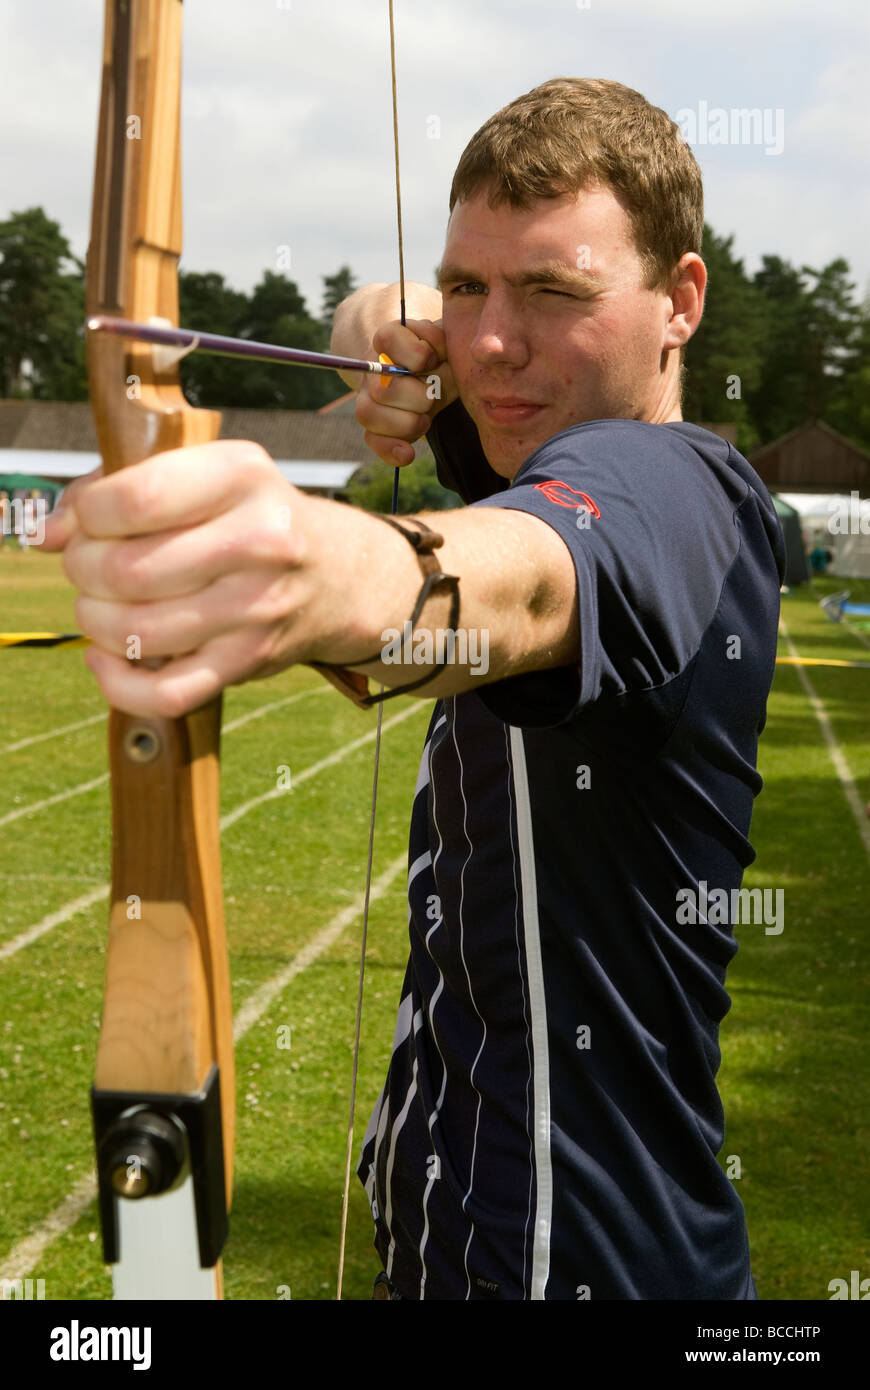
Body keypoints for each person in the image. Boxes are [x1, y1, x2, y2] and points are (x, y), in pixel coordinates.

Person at [45, 77, 784, 1300]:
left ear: (680, 302)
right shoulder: (515, 426)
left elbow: (531, 581)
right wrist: (402, 341)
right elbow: (401, 341)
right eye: (466, 287)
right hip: (445, 1244)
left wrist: (322, 569)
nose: (495, 338)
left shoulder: (677, 493)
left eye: (556, 291)